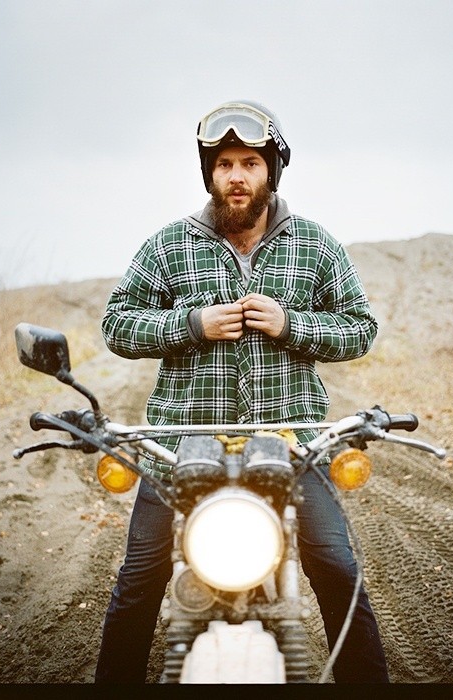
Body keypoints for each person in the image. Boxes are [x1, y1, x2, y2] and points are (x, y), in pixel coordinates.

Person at [95, 100, 389, 683]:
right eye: (224, 163)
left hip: (294, 442)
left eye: (249, 163)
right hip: (179, 444)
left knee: (336, 565)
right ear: (209, 171)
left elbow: (361, 328)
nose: (235, 176)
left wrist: (292, 325)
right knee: (139, 577)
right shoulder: (169, 245)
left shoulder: (315, 245)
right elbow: (116, 325)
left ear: (270, 170)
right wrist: (190, 326)